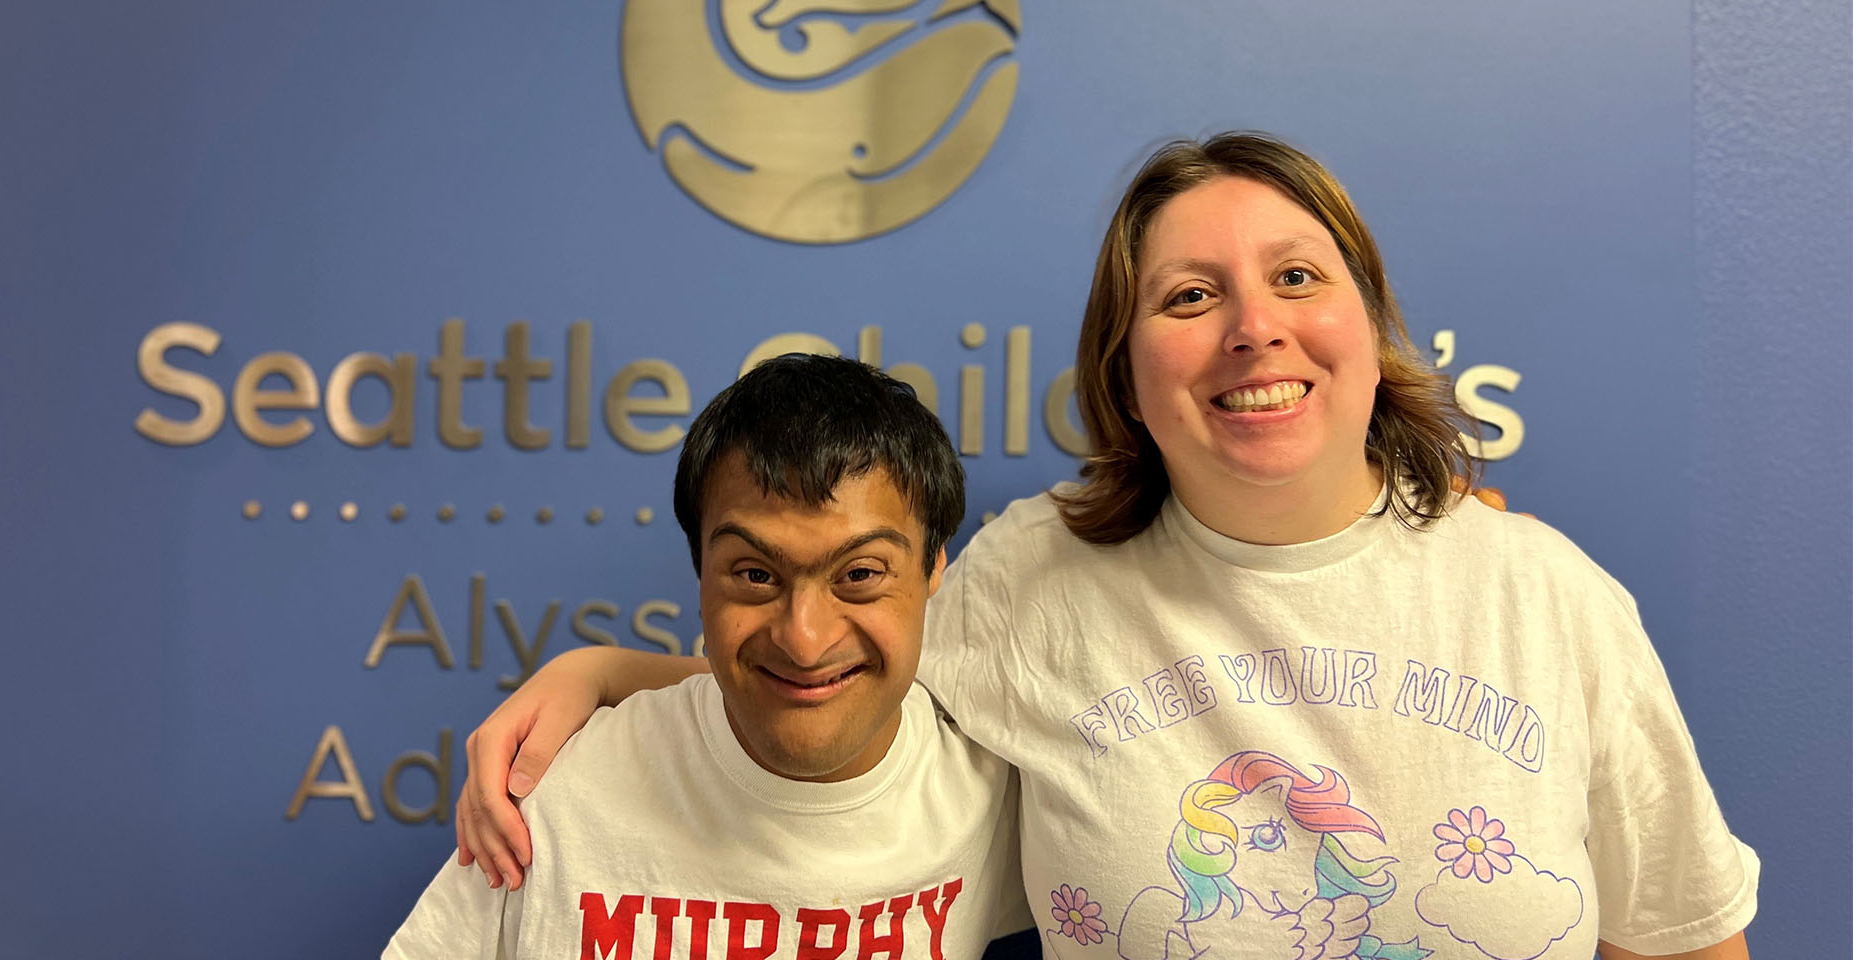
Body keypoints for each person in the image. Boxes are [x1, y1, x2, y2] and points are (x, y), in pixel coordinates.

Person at [453, 133, 1758, 960]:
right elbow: (828, 677)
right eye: (1191, 297)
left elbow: (1686, 939)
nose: (1255, 327)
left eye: (1299, 278)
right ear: (1127, 375)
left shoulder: (1550, 602)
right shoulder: (1038, 581)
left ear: (1374, 326)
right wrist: (597, 677)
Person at [386, 355, 1027, 959]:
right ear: (699, 575)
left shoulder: (991, 788)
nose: (805, 640)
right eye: (753, 575)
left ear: (933, 565)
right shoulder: (559, 786)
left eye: (859, 574)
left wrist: (600, 668)